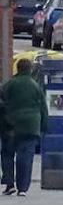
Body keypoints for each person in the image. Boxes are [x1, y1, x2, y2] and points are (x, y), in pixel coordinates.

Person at [1, 59, 49, 197]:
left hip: (11, 125)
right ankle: (23, 188)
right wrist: (44, 127)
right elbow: (43, 108)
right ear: (29, 69)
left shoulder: (10, 84)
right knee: (26, 157)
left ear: (18, 68)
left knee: (7, 155)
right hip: (31, 126)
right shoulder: (35, 86)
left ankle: (9, 184)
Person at [0, 84, 12, 195]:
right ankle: (9, 182)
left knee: (6, 155)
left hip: (5, 128)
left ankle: (8, 181)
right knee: (7, 155)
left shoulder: (5, 87)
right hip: (8, 128)